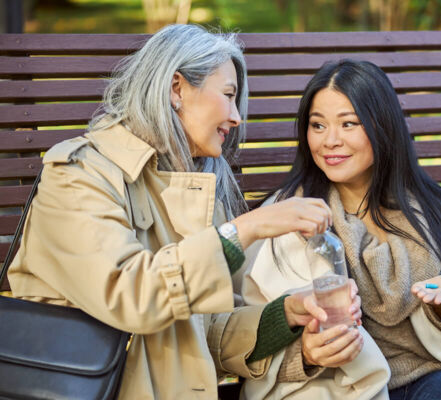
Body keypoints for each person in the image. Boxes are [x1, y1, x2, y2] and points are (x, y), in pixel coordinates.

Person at [6, 25, 363, 399]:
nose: (236, 117)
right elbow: (133, 294)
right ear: (177, 88)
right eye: (228, 95)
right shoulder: (79, 175)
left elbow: (207, 336)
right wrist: (246, 229)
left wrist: (289, 314)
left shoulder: (197, 184)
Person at [239, 59, 441, 400]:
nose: (330, 141)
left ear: (382, 127)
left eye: (349, 123)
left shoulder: (427, 215)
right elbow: (246, 335)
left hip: (428, 379)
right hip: (335, 388)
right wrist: (307, 356)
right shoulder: (288, 216)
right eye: (318, 125)